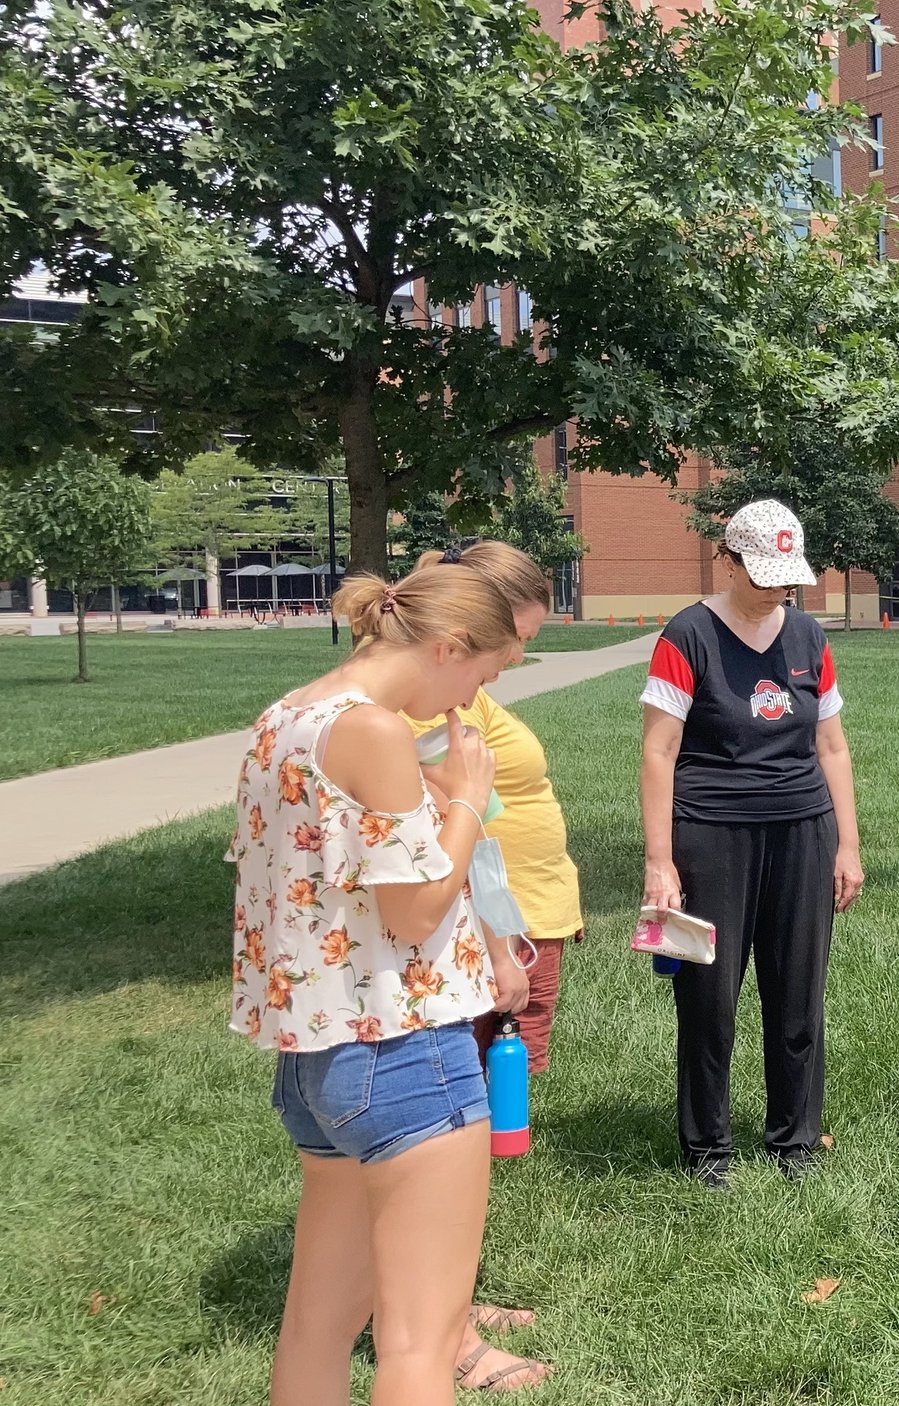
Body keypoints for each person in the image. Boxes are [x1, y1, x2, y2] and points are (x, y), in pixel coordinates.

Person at [229, 565, 529, 1406]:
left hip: (316, 1052)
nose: (472, 699)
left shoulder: (286, 715)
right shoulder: (377, 732)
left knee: (316, 1327)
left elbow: (328, 879)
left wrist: (432, 808)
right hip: (406, 1046)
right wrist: (468, 801)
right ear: (447, 646)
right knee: (417, 1344)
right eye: (483, 672)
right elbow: (415, 911)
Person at [639, 499, 865, 1189]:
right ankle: (708, 1148)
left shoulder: (807, 637)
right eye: (763, 573)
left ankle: (793, 1140)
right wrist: (660, 862)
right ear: (727, 561)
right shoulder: (688, 635)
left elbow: (831, 744)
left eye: (786, 575)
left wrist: (847, 845)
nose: (778, 588)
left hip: (802, 830)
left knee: (798, 995)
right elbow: (659, 750)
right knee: (708, 998)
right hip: (710, 835)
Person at [403, 541, 576, 1391]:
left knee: (468, 1134)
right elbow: (453, 848)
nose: (504, 671)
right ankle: (442, 1327)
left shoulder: (452, 705)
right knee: (444, 1141)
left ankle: (453, 1300)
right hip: (465, 943)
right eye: (505, 650)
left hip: (501, 929)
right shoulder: (420, 715)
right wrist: (497, 938)